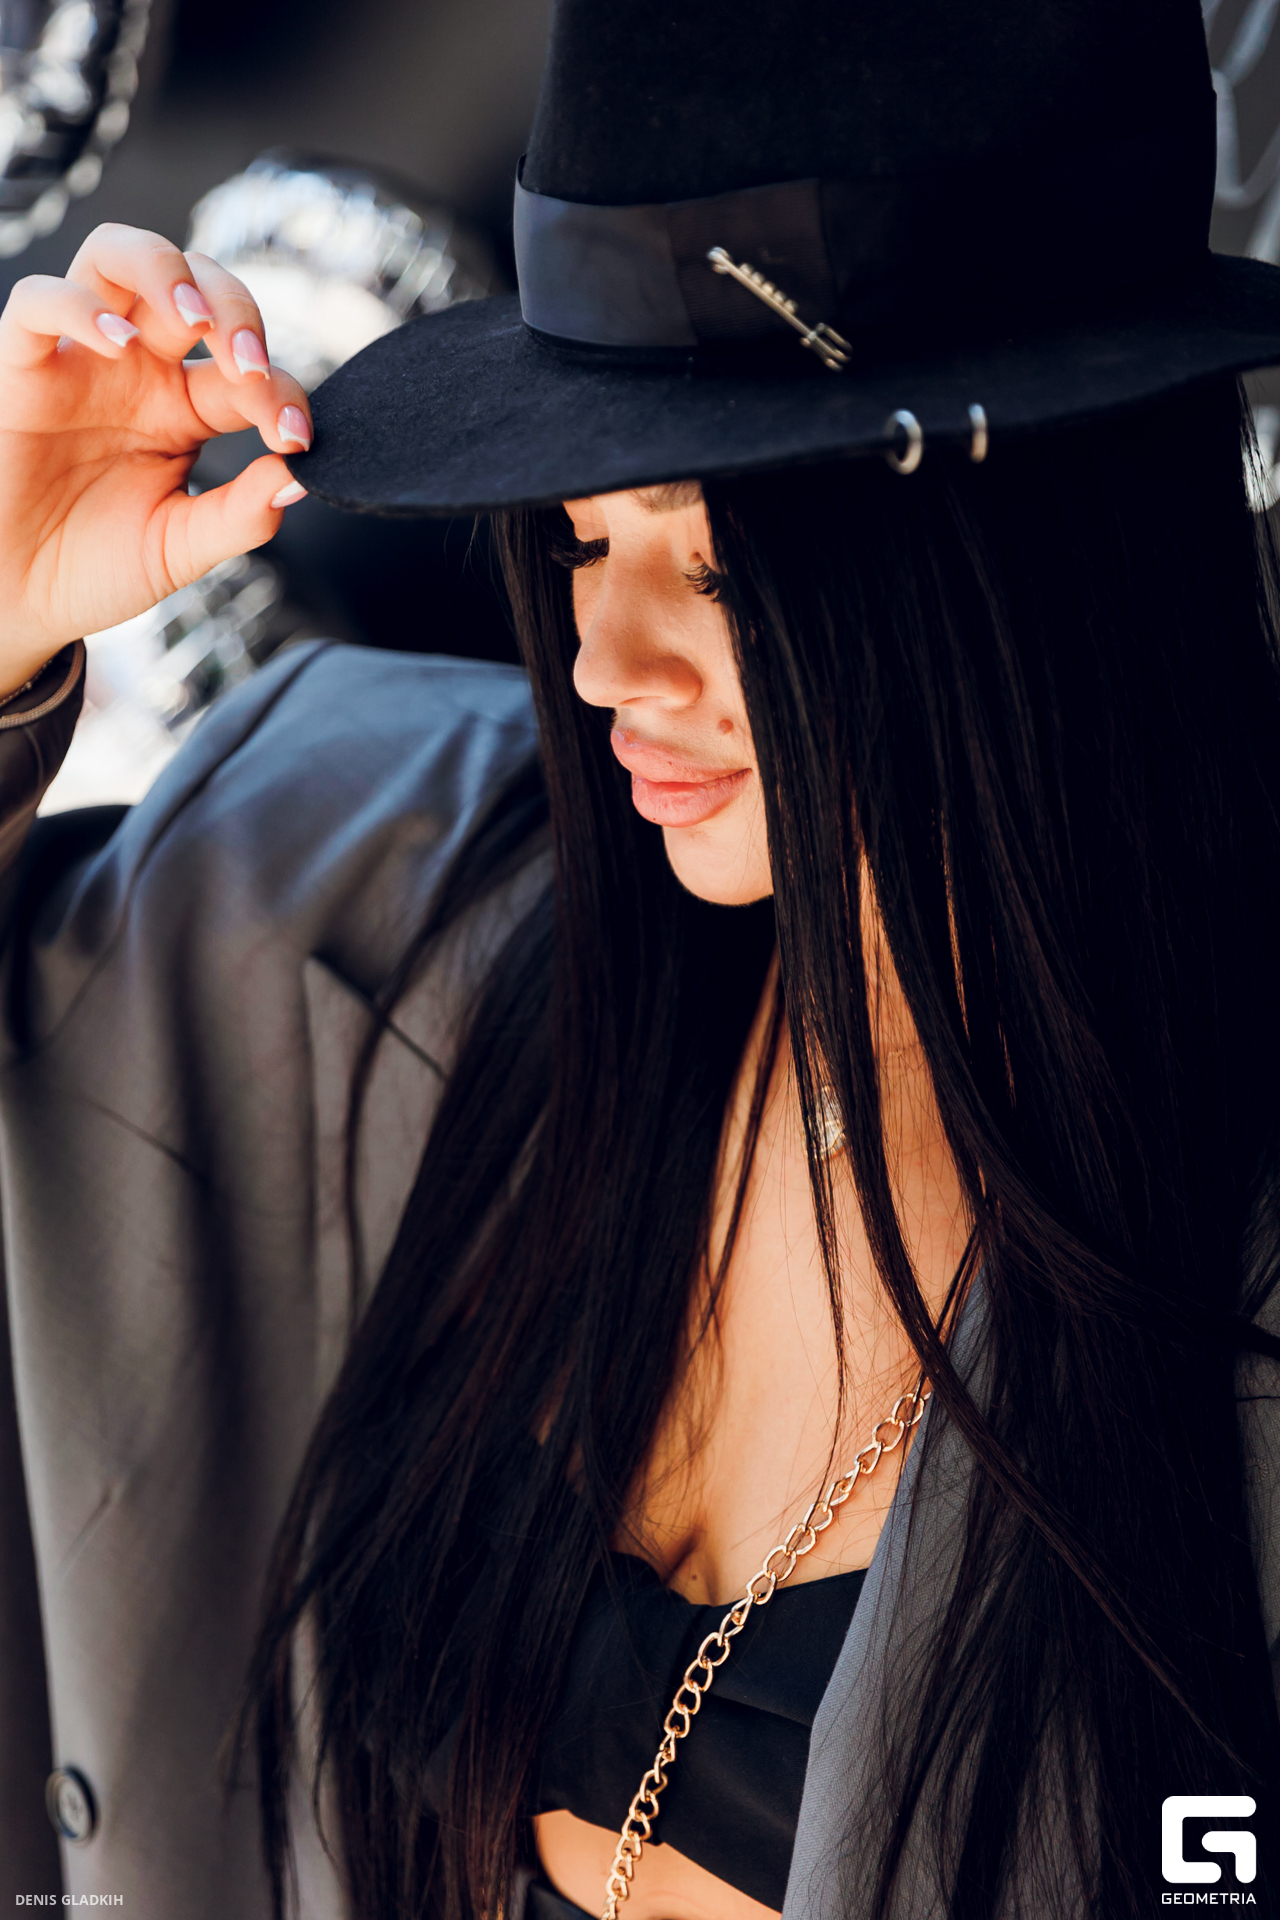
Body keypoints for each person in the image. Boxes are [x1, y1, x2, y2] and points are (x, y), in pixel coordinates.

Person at [2, 1, 1280, 1916]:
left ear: (1021, 544)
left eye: (713, 559)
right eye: (585, 540)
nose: (607, 661)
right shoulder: (353, 902)